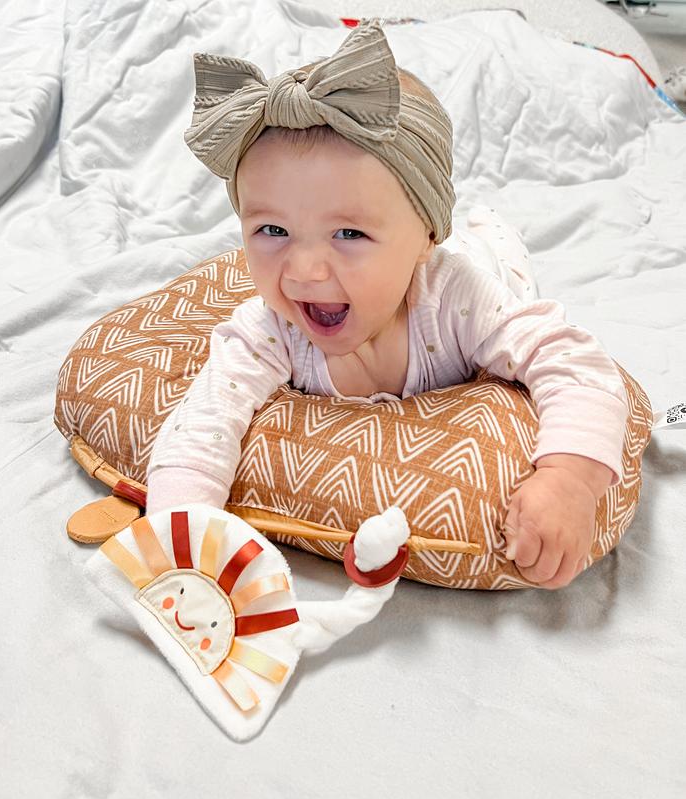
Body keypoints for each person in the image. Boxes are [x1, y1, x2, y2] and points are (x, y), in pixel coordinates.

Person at [146, 20, 628, 591]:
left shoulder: (456, 299)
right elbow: (202, 425)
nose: (303, 271)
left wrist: (569, 479)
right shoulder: (269, 327)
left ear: (425, 235)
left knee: (501, 260)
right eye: (272, 229)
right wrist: (180, 543)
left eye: (348, 234)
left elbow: (577, 365)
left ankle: (490, 228)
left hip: (481, 264)